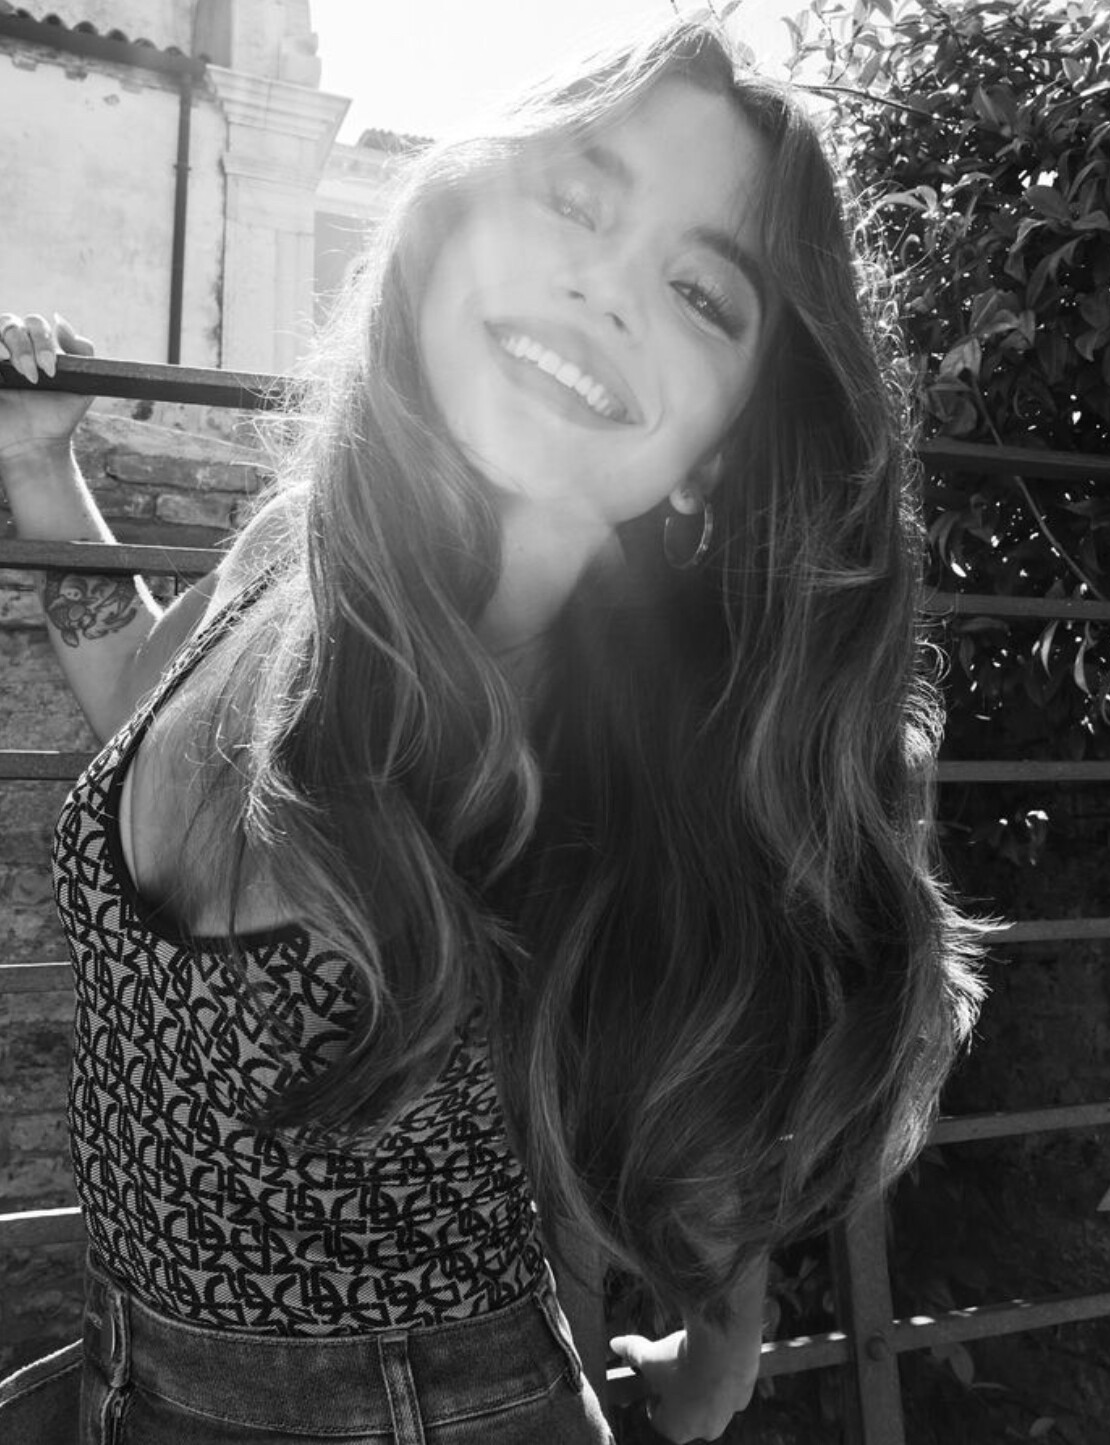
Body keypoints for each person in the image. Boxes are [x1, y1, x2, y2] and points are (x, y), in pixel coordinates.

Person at [0, 17, 983, 1444]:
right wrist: (42, 474)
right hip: (121, 1378)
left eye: (700, 293)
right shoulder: (287, 554)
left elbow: (725, 1029)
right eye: (574, 201)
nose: (604, 286)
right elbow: (141, 711)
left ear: (715, 454)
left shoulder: (623, 742)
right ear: (457, 220)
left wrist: (725, 1336)